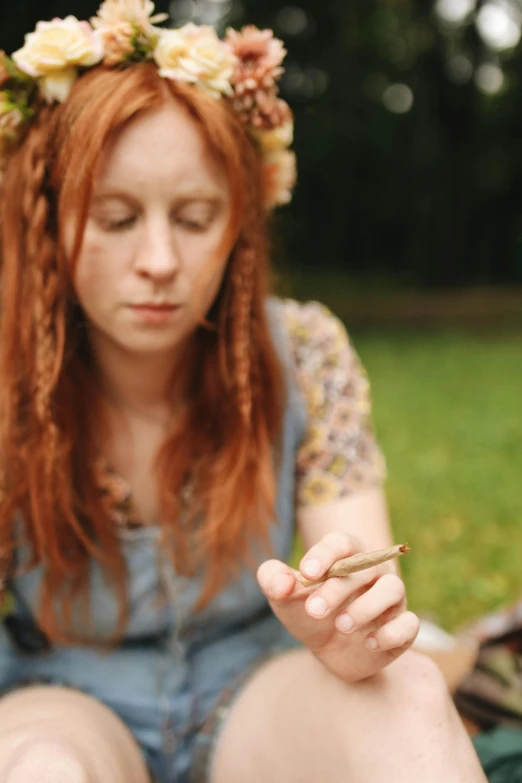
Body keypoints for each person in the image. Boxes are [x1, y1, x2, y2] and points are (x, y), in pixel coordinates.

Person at [0, 3, 487, 782]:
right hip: (64, 694)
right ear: (48, 220)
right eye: (117, 217)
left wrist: (350, 629)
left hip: (254, 688)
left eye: (194, 218)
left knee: (410, 695)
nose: (159, 259)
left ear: (239, 227)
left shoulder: (303, 351)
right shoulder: (7, 371)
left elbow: (364, 581)